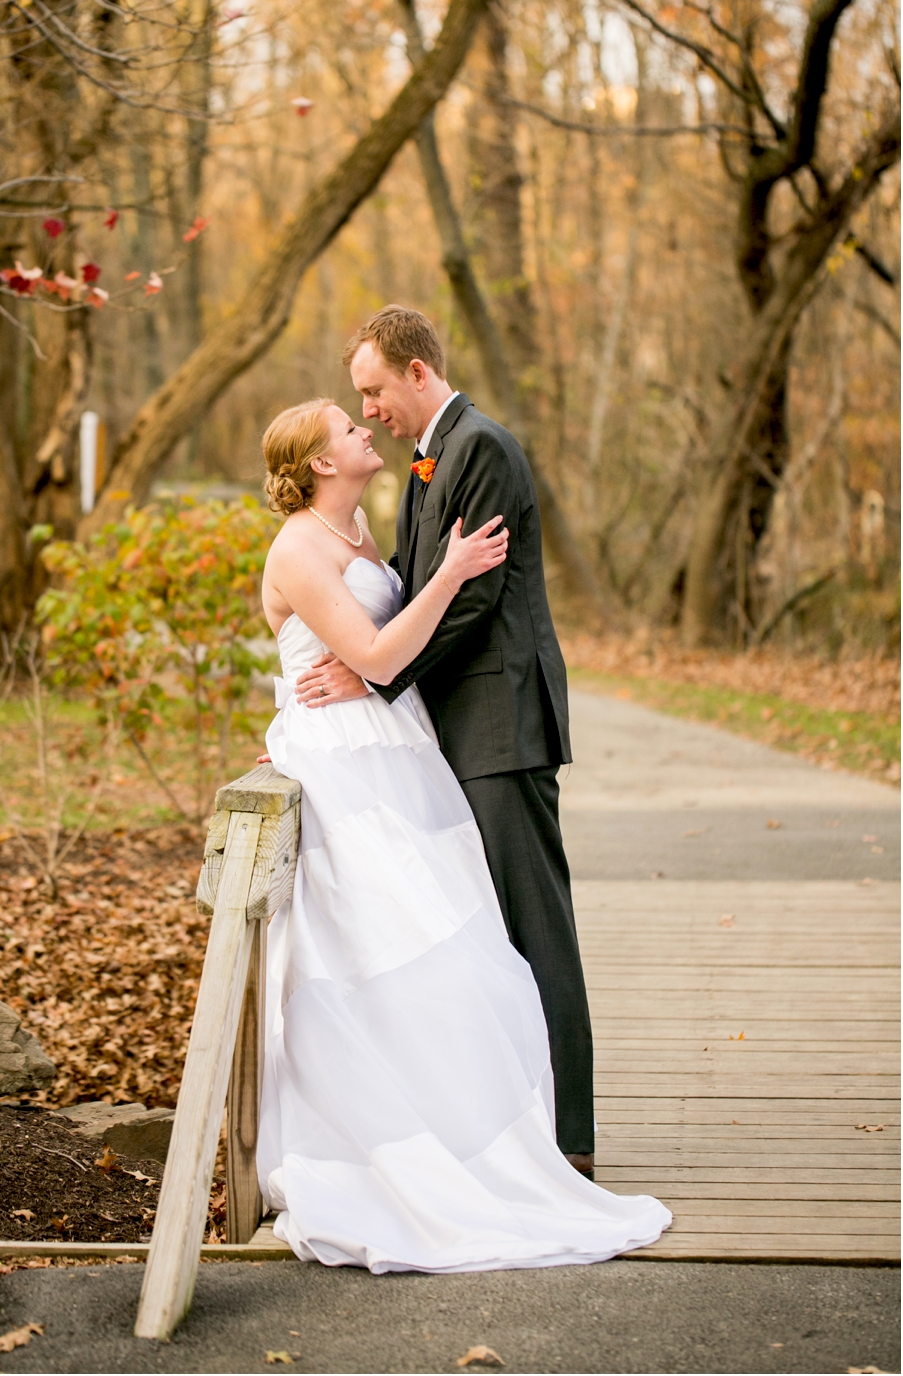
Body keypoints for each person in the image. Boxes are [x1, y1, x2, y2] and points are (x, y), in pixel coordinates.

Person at [257, 396, 670, 1273]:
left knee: (463, 951)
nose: (364, 428)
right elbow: (374, 660)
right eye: (347, 424)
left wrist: (433, 572)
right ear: (321, 462)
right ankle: (393, 1146)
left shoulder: (363, 531)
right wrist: (449, 571)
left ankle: (470, 1130)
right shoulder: (297, 547)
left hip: (401, 756)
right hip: (341, 767)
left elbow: (382, 655)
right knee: (379, 955)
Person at [294, 306, 595, 1176]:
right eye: (362, 398)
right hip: (459, 726)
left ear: (416, 373)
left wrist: (376, 675)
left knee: (535, 925)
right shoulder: (433, 460)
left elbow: (472, 602)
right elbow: (414, 586)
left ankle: (568, 1137)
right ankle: (514, 1123)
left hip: (502, 720)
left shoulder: (481, 449)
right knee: (488, 932)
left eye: (374, 390)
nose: (373, 408)